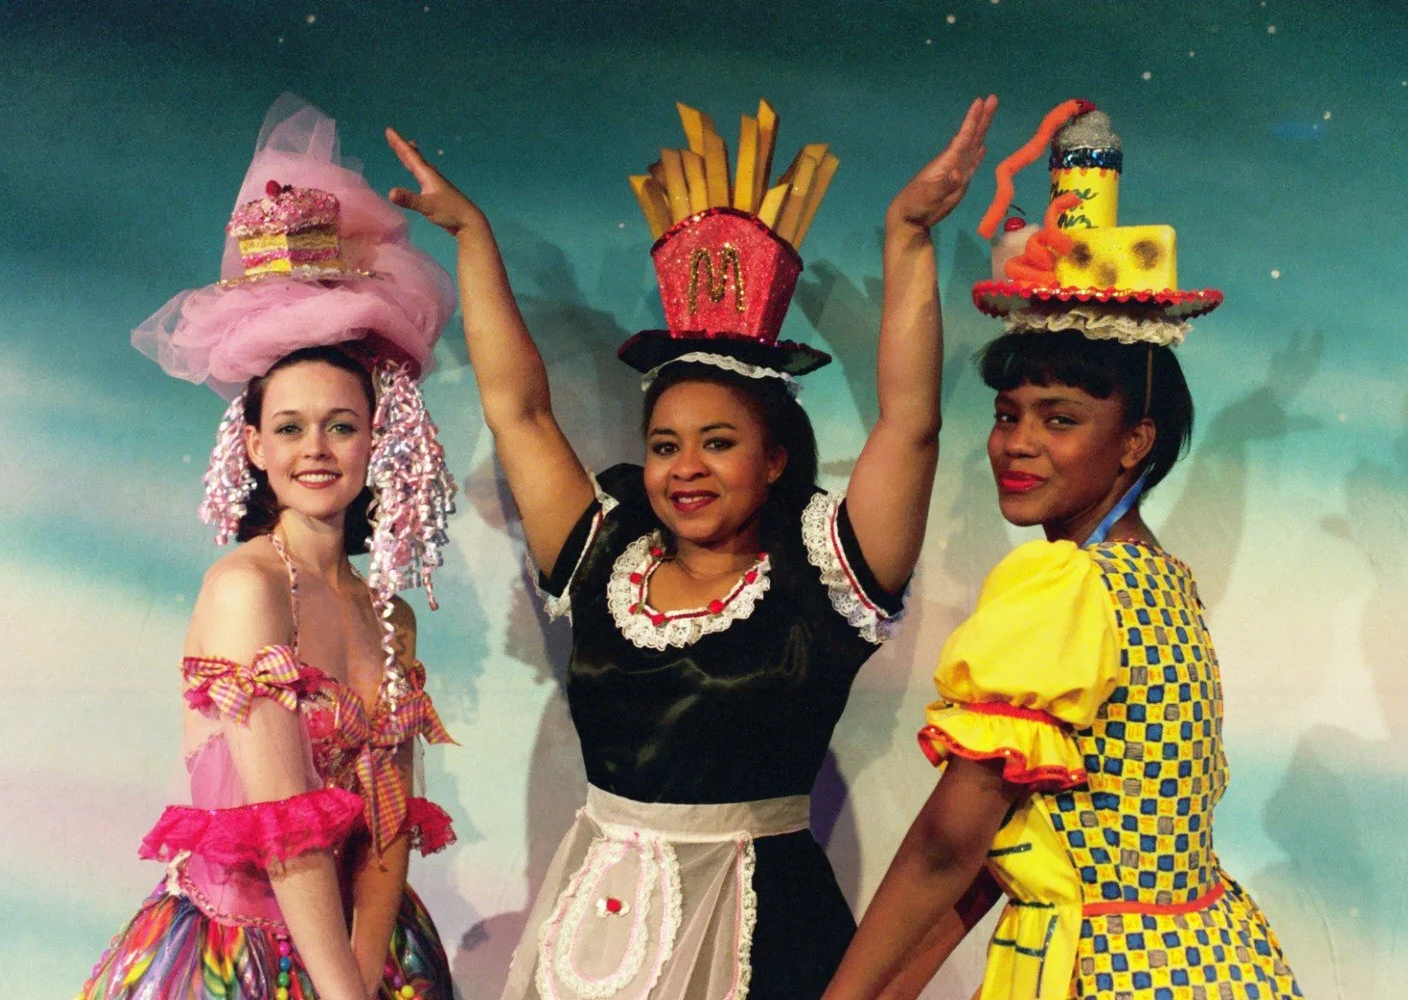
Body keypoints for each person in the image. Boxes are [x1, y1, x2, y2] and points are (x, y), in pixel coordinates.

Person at [386, 94, 997, 999]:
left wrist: (907, 238)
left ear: (775, 456)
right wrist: (472, 236)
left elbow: (910, 425)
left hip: (765, 933)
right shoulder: (604, 552)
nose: (685, 469)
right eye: (666, 445)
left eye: (719, 442)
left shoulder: (823, 572)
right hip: (595, 926)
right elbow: (518, 410)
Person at [823, 102, 1302, 1000]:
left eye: (1061, 420)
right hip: (1203, 961)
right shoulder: (1159, 579)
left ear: (1135, 441)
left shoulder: (1065, 586)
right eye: (1009, 416)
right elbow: (1014, 844)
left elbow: (945, 844)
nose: (1017, 443)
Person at [79, 96, 462, 1000]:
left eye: (340, 425)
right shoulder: (246, 587)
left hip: (362, 955)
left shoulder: (389, 612)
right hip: (238, 952)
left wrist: (369, 974)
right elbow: (289, 837)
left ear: (377, 439)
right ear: (253, 445)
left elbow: (389, 827)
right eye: (289, 428)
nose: (315, 450)